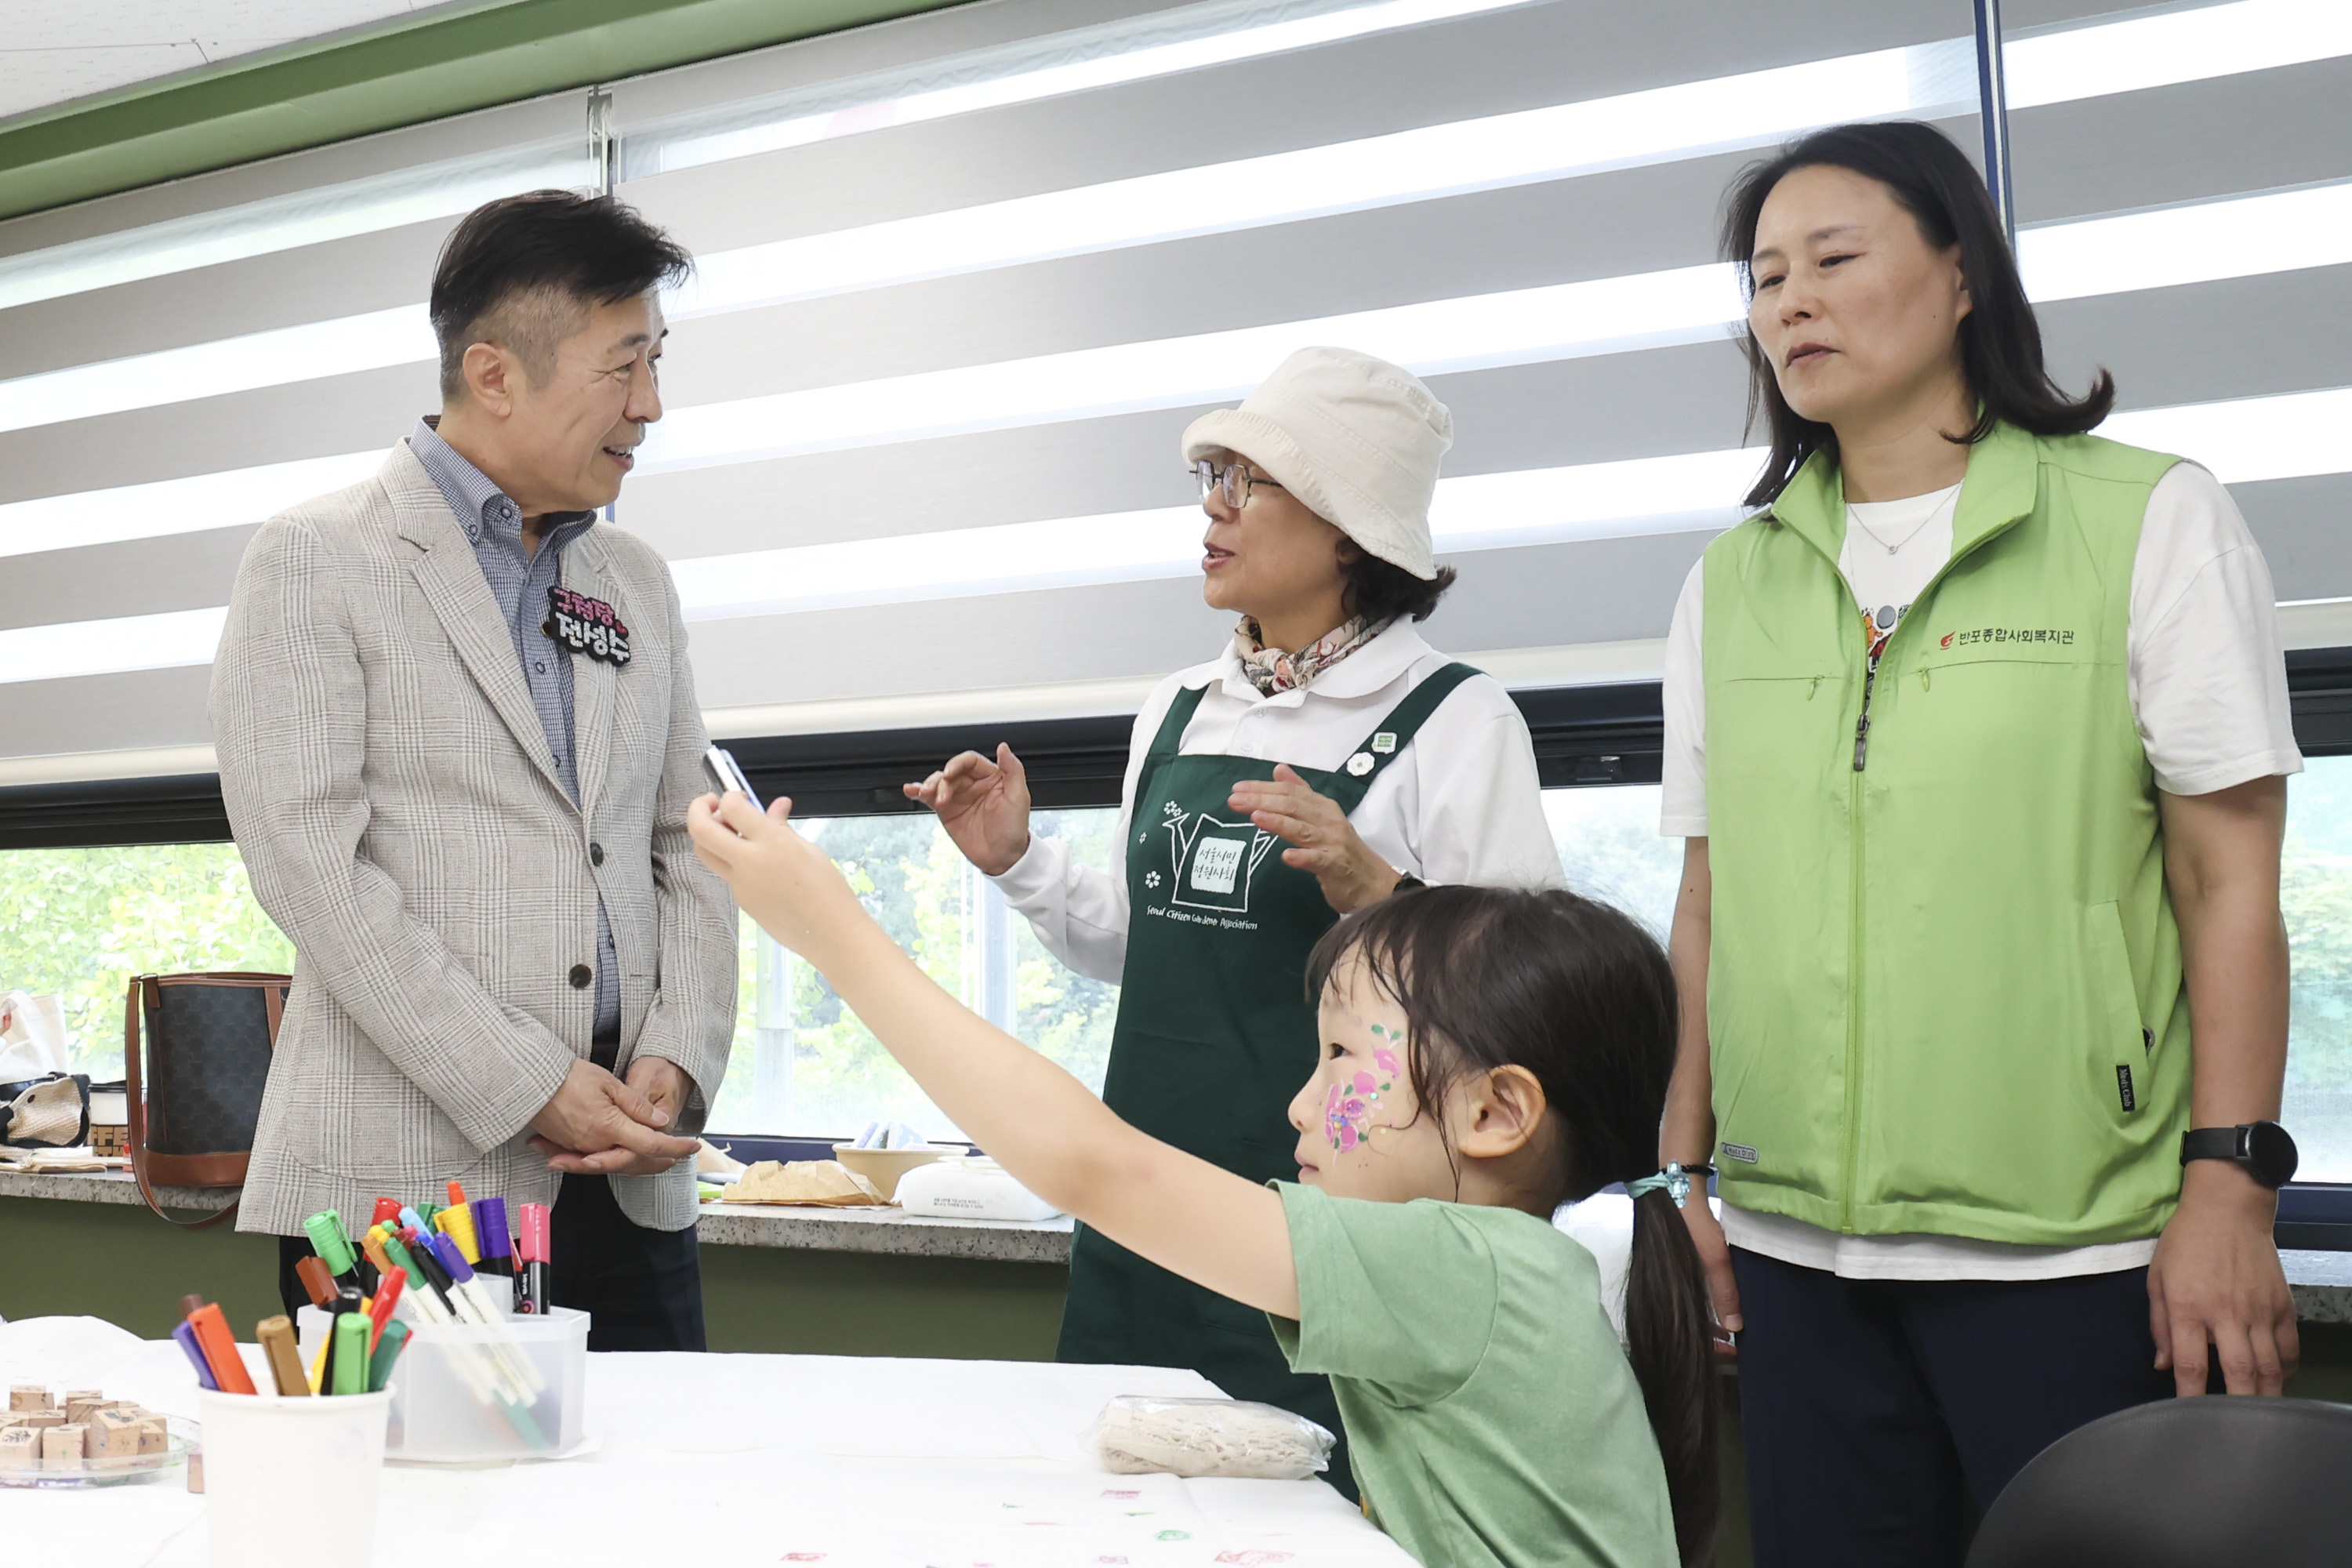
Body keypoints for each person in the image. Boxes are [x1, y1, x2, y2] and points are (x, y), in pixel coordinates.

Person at [1657, 122, 2303, 1564]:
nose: (1791, 304)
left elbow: (2226, 879)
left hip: (2076, 1257)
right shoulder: (1732, 579)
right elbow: (1711, 898)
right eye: (1765, 279)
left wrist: (2230, 1189)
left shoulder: (2146, 517)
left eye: (1833, 258)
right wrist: (1679, 1175)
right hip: (1791, 1259)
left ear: (1962, 276)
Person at [693, 791, 1715, 1568]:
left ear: (1496, 1113)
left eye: (1344, 1063)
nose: (1301, 1107)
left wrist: (834, 934)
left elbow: (1103, 1167)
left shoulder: (1474, 1272)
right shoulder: (1514, 1268)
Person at [903, 347, 1564, 1476]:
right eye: (1213, 474)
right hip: (1143, 1210)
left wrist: (1377, 895)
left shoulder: (1457, 719)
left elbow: (1532, 1004)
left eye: (1247, 481)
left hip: (1340, 1241)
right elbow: (1140, 943)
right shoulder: (1176, 710)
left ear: (1352, 528)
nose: (1213, 505)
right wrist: (1017, 861)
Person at [211, 191, 739, 1351]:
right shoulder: (316, 560)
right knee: (425, 1520)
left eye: (656, 361)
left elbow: (686, 837)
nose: (650, 405)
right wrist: (529, 1080)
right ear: (494, 374)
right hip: (405, 1189)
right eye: (623, 366)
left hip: (629, 1178)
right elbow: (313, 870)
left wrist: (677, 1059)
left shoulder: (635, 582)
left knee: (649, 1518)